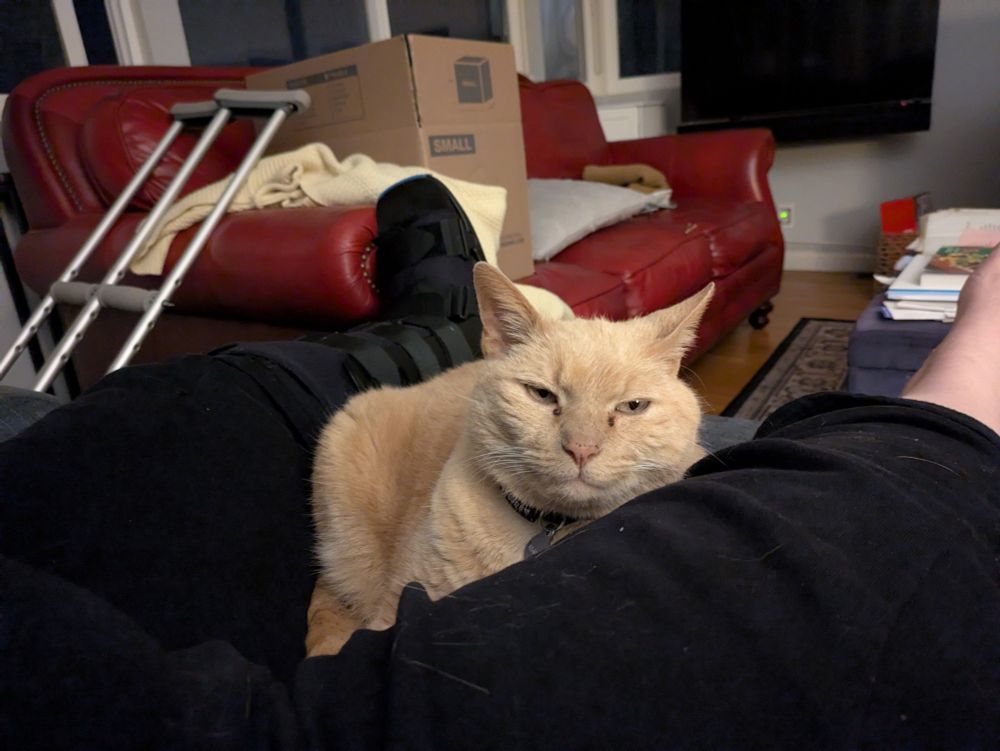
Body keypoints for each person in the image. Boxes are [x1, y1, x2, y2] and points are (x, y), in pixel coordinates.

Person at [2, 235, 999, 749]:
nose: (581, 448)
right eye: (550, 404)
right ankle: (435, 313)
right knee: (382, 386)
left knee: (351, 368)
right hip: (324, 429)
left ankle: (426, 312)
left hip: (247, 398)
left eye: (626, 412)